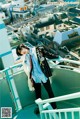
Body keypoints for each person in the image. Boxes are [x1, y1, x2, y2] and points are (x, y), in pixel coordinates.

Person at [16, 44, 58, 114]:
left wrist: (56, 57)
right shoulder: (26, 57)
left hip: (43, 75)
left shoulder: (37, 50)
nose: (21, 52)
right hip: (35, 77)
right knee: (38, 94)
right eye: (20, 53)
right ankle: (39, 109)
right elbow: (27, 67)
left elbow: (47, 54)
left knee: (50, 92)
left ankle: (55, 108)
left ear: (23, 46)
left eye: (21, 50)